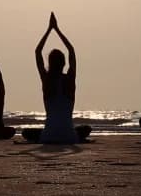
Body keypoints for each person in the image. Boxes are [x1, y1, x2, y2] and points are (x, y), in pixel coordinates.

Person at [22, 12, 91, 144]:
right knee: (86, 129)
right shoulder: (70, 79)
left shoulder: (46, 80)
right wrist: (57, 30)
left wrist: (49, 29)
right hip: (70, 137)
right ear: (64, 63)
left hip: (48, 136)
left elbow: (37, 52)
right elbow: (71, 51)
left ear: (50, 63)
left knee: (26, 132)